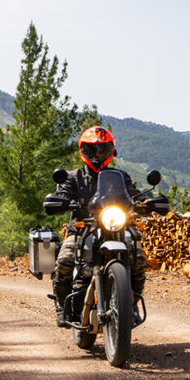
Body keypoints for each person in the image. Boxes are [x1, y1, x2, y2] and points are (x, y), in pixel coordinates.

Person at [51, 126, 147, 323]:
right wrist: (61, 200)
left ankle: (132, 304)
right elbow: (62, 195)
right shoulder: (72, 177)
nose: (96, 154)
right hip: (81, 230)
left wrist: (147, 203)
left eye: (102, 149)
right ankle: (62, 306)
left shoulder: (120, 177)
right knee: (65, 259)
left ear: (110, 151)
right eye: (91, 149)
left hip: (115, 229)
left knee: (137, 260)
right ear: (83, 150)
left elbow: (133, 194)